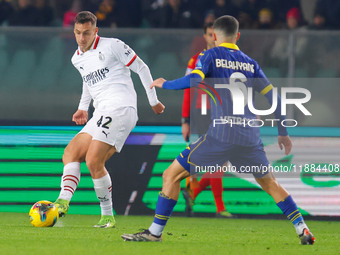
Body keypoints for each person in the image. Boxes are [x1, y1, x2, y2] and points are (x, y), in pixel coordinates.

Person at [121, 15, 315, 245]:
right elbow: (275, 98)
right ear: (238, 36)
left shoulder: (210, 54)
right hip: (249, 135)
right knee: (270, 183)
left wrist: (166, 84)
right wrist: (283, 130)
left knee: (170, 175)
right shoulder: (251, 63)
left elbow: (194, 80)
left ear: (214, 36)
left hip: (222, 134)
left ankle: (154, 232)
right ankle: (302, 229)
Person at [54, 11, 165, 228]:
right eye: (77, 33)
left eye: (86, 33)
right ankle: (62, 203)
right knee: (70, 153)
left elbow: (141, 68)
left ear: (96, 31)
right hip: (101, 111)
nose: (81, 38)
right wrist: (82, 108)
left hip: (122, 107)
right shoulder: (76, 58)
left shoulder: (113, 45)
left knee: (94, 160)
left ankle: (107, 216)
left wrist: (153, 100)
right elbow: (88, 81)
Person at [181, 22, 231, 218]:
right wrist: (185, 120)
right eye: (211, 34)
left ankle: (194, 192)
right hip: (203, 113)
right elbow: (188, 90)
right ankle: (220, 208)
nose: (214, 38)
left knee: (222, 161)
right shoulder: (196, 60)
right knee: (218, 161)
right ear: (206, 36)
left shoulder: (228, 58)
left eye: (217, 34)